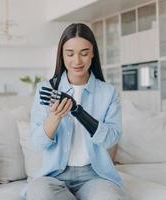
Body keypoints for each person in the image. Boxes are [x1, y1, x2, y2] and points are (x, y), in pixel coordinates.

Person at [25, 23, 128, 200]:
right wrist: (55, 117)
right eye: (70, 53)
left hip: (95, 176)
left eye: (84, 53)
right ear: (62, 55)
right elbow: (37, 143)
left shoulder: (108, 93)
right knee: (39, 194)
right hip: (54, 175)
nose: (77, 61)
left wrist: (79, 112)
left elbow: (112, 138)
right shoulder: (46, 89)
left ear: (93, 53)